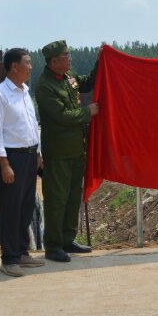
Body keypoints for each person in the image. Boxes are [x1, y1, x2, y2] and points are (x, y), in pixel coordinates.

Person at [34, 40, 99, 263]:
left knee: (72, 198)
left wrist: (101, 61)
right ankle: (53, 246)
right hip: (59, 152)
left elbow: (86, 83)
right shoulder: (45, 86)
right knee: (57, 199)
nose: (70, 58)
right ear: (54, 61)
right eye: (66, 56)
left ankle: (67, 240)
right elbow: (62, 116)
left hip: (76, 149)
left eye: (69, 55)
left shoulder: (68, 76)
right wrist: (87, 112)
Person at [0, 48, 45, 278]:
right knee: (11, 208)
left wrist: (38, 153)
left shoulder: (25, 92)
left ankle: (21, 252)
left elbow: (32, 125)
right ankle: (9, 259)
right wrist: (4, 164)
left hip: (29, 156)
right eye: (27, 63)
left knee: (26, 206)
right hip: (12, 158)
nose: (31, 67)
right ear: (14, 66)